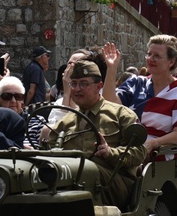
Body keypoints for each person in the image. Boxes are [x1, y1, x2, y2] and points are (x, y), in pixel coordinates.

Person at [44, 61, 145, 206]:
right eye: (73, 84)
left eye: (84, 84)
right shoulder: (65, 122)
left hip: (115, 184)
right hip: (72, 183)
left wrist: (111, 153)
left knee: (84, 170)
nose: (77, 89)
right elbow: (49, 151)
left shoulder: (120, 114)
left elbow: (139, 152)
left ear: (99, 86)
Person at [105, 35, 177, 156]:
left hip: (157, 160)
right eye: (149, 54)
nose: (150, 59)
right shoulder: (136, 83)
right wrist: (111, 68)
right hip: (123, 150)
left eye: (157, 56)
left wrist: (152, 143)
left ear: (171, 61)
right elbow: (110, 103)